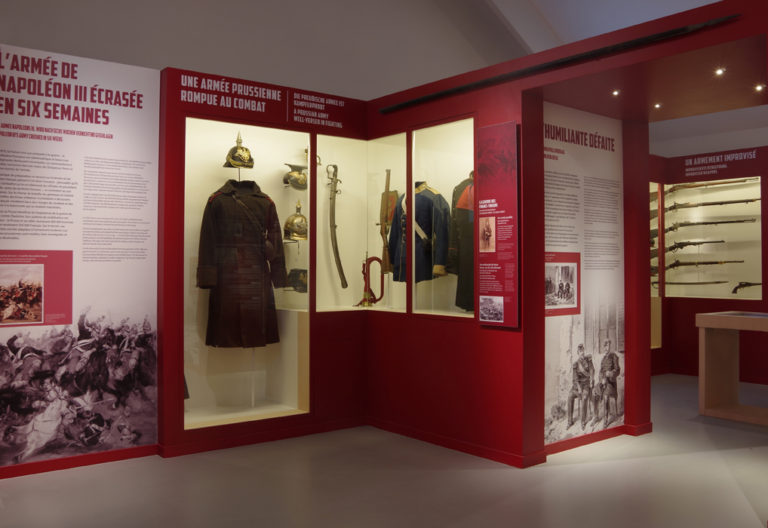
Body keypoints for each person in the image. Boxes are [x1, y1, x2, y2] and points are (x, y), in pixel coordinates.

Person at [567, 344, 594, 429]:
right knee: (570, 396)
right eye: (580, 351)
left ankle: (583, 421)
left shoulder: (588, 360)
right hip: (578, 386)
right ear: (578, 353)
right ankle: (570, 421)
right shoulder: (575, 364)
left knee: (584, 397)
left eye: (582, 351)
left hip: (586, 384)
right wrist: (578, 388)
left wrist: (592, 379)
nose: (582, 353)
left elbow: (592, 370)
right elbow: (575, 378)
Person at [598, 339, 621, 427]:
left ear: (610, 346)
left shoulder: (614, 356)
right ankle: (595, 416)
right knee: (594, 392)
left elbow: (617, 370)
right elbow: (600, 372)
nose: (606, 348)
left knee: (606, 396)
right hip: (603, 383)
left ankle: (606, 419)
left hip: (611, 383)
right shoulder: (603, 359)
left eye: (607, 346)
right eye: (605, 346)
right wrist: (601, 380)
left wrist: (610, 374)